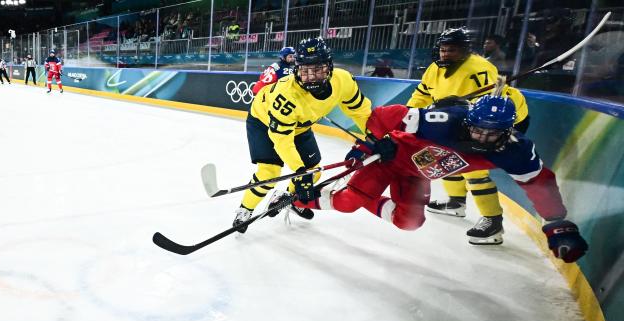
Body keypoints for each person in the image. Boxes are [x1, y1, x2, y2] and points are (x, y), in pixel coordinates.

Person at [292, 95, 588, 264]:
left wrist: (557, 224)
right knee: (346, 203)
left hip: (416, 176)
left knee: (409, 222)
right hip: (388, 161)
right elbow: (384, 116)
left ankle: (358, 194)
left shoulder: (515, 151)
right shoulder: (444, 122)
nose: (482, 138)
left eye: (491, 134)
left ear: (508, 131)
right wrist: (369, 144)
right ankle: (299, 199)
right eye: (477, 130)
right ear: (468, 121)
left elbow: (541, 184)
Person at [233, 37, 372, 232]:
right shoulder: (287, 95)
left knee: (314, 170)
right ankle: (244, 210)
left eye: (317, 69)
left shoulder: (343, 80)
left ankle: (287, 199)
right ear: (297, 69)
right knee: (270, 172)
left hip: (300, 125)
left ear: (329, 67)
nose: (311, 76)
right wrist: (299, 172)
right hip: (264, 122)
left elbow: (361, 111)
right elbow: (282, 139)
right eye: (305, 71)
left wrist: (375, 136)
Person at [407, 27, 530, 245]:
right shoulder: (434, 69)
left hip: (492, 123)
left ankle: (493, 222)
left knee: (475, 170)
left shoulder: (480, 69)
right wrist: (408, 115)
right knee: (444, 156)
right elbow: (422, 94)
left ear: (465, 50)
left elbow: (492, 107)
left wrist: (462, 104)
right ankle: (456, 202)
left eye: (451, 50)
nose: (445, 54)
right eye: (443, 49)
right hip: (458, 120)